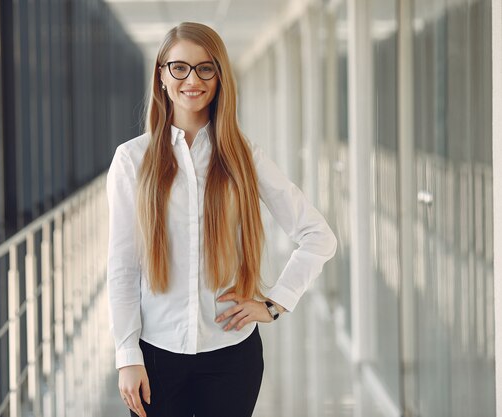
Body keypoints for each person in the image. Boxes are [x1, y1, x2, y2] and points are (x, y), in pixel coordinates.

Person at [106, 22, 337, 417]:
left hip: (232, 359)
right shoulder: (132, 160)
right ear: (161, 75)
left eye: (205, 68)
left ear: (219, 77)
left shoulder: (245, 156)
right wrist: (127, 354)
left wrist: (276, 303)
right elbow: (123, 267)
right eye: (179, 67)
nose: (192, 79)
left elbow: (318, 235)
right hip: (157, 357)